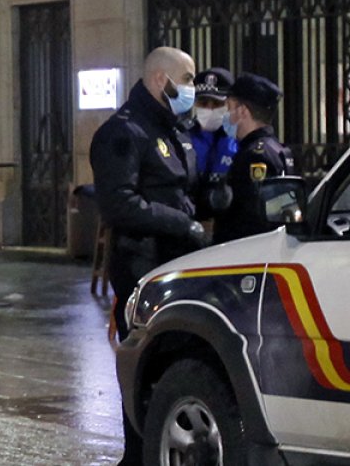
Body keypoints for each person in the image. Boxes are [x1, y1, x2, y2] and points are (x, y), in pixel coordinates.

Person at [89, 46, 208, 465]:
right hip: (143, 268)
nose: (193, 87)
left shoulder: (169, 127)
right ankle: (137, 456)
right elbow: (120, 204)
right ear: (162, 80)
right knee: (144, 366)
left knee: (173, 364)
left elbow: (180, 192)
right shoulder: (123, 132)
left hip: (176, 266)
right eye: (189, 78)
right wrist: (181, 224)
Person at [213, 73, 296, 244]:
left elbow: (252, 217)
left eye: (229, 107)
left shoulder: (254, 155)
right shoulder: (275, 148)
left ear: (242, 111)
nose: (226, 114)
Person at [189, 67, 237, 219]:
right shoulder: (182, 138)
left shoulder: (238, 141)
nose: (209, 108)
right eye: (203, 102)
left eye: (216, 103)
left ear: (229, 104)